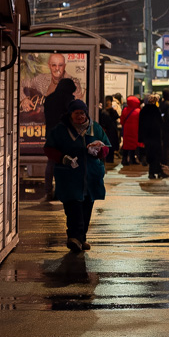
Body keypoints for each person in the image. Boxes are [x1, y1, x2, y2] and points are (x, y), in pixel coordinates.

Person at [43, 99, 108, 252]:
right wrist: (62, 158)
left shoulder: (95, 128)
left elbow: (106, 148)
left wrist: (98, 151)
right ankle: (73, 237)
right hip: (69, 177)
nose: (80, 116)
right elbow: (49, 149)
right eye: (77, 113)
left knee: (86, 209)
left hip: (91, 177)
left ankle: (81, 238)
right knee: (73, 208)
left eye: (82, 113)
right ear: (70, 114)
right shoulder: (60, 130)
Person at [137, 93, 166, 179]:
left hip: (147, 136)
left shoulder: (143, 110)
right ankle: (156, 172)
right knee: (156, 154)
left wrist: (140, 138)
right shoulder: (156, 110)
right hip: (155, 136)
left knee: (150, 154)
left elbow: (140, 124)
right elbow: (160, 123)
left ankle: (154, 172)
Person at [98, 96, 121, 165]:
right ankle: (108, 158)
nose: (109, 104)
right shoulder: (104, 112)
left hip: (110, 130)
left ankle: (110, 158)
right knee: (109, 144)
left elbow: (116, 116)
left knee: (110, 144)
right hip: (108, 130)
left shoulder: (110, 111)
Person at [120, 95, 141, 166]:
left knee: (126, 145)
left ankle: (124, 159)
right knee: (134, 145)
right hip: (135, 130)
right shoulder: (138, 111)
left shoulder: (125, 110)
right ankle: (132, 159)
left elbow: (122, 120)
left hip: (126, 130)